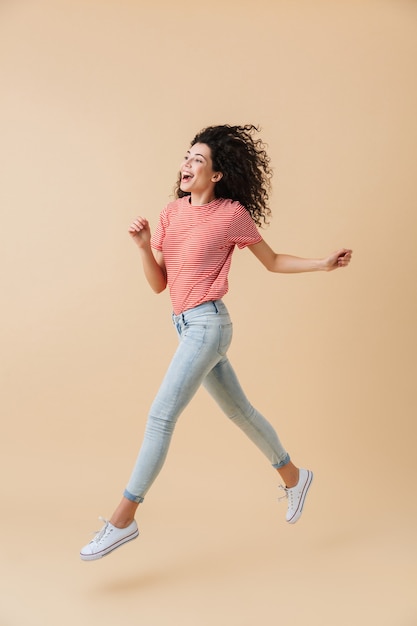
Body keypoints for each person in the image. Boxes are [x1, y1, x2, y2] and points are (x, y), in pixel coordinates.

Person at [80, 124, 352, 561]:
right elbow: (159, 284)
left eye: (198, 160)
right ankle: (294, 477)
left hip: (209, 325)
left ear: (217, 174)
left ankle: (122, 519)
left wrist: (322, 264)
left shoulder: (231, 215)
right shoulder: (171, 213)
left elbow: (273, 260)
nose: (187, 166)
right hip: (185, 326)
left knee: (160, 417)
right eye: (186, 157)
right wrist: (144, 246)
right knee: (239, 411)